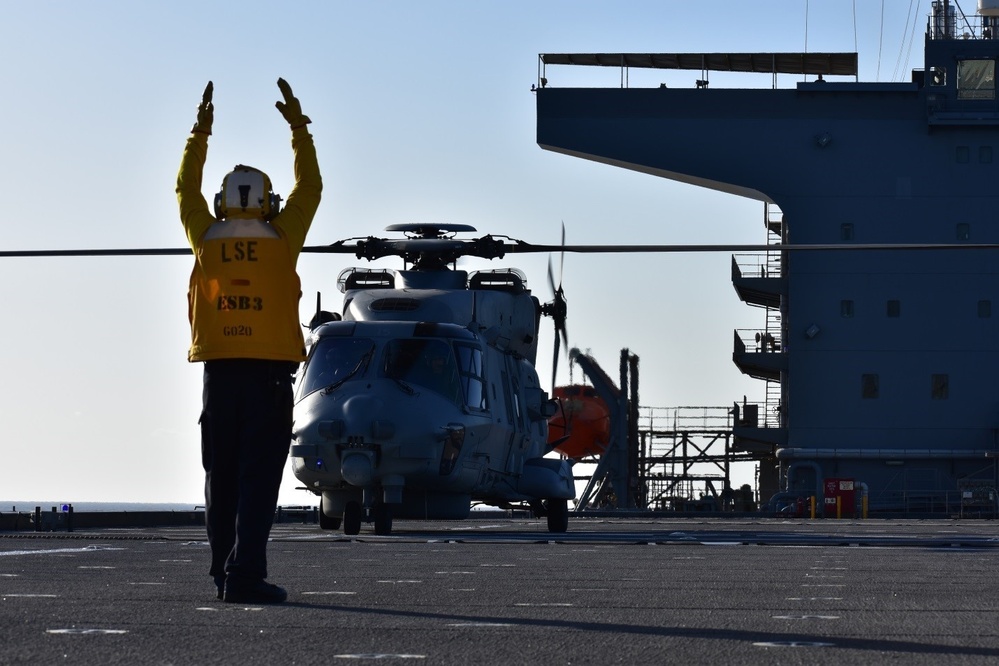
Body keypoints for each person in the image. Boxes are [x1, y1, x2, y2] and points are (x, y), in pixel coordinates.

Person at [177, 79, 322, 604]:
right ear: (267, 201)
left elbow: (183, 190)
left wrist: (200, 133)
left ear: (223, 203)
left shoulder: (205, 235)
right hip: (267, 377)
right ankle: (247, 575)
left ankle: (221, 572)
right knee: (259, 480)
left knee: (221, 477)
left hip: (218, 374)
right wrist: (299, 130)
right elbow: (312, 189)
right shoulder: (284, 237)